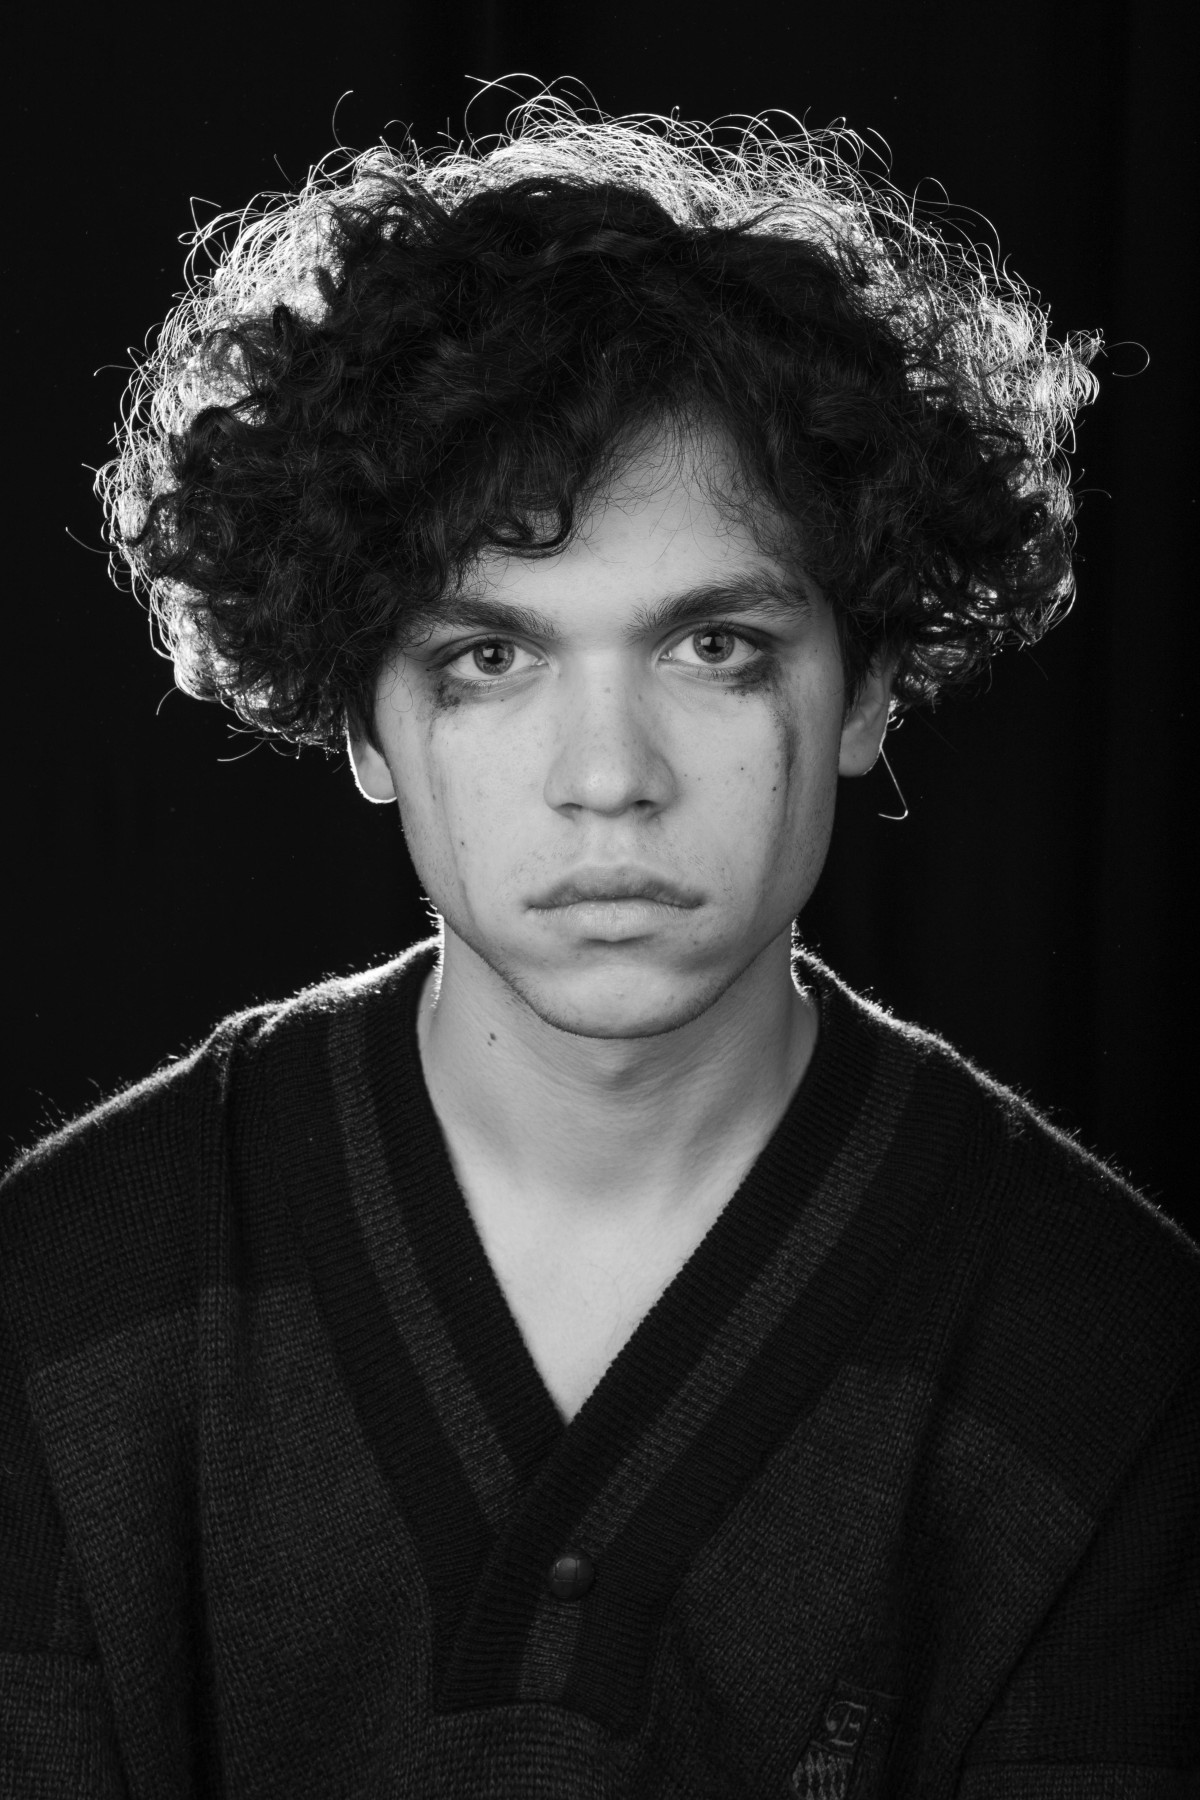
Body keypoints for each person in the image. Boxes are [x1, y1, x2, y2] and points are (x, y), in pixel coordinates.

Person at [2, 86, 1196, 1798]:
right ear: (359, 718)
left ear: (865, 686)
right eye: (489, 658)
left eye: (714, 647)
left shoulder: (1106, 1363)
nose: (609, 779)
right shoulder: (69, 1301)